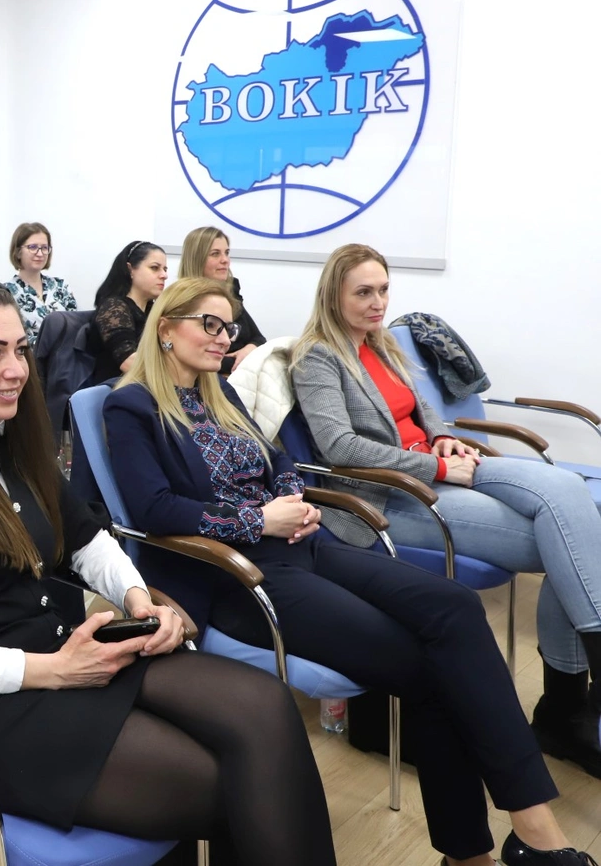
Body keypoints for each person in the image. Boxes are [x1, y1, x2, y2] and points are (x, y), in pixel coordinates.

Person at [0, 271, 338, 866]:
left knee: (266, 709)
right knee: (221, 779)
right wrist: (53, 671)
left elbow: (84, 538)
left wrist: (137, 598)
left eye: (21, 350)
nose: (16, 370)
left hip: (62, 650)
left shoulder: (4, 440)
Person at [105, 276, 590, 866]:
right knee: (428, 663)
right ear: (165, 328)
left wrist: (292, 499)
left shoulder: (218, 392)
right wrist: (260, 519)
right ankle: (488, 849)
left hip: (302, 544)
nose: (224, 337)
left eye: (227, 326)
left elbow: (279, 460)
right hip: (238, 575)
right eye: (209, 324)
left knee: (456, 608)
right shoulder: (130, 405)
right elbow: (153, 509)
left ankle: (525, 827)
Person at [290, 243, 601, 785]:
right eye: (363, 292)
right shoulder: (317, 356)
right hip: (392, 495)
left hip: (440, 465)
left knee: (570, 497)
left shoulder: (383, 344)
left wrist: (440, 437)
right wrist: (432, 465)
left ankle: (566, 709)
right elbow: (339, 446)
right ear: (333, 295)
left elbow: (424, 410)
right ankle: (565, 711)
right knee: (570, 543)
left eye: (383, 290)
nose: (378, 302)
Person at [178, 227, 265, 375]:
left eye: (227, 253)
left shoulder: (230, 292)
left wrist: (248, 350)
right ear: (197, 259)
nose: (225, 260)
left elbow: (259, 339)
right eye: (215, 254)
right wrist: (246, 361)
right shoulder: (183, 300)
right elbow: (194, 356)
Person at [89, 241, 169, 383]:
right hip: (118, 389)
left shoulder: (154, 310)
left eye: (165, 269)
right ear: (130, 269)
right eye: (154, 268)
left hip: (147, 385)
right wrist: (174, 375)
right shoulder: (114, 307)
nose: (164, 275)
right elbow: (128, 362)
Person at [6, 221, 76, 346]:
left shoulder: (60, 286)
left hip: (66, 354)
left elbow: (76, 325)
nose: (40, 253)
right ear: (18, 252)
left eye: (44, 248)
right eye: (33, 247)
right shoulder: (6, 293)